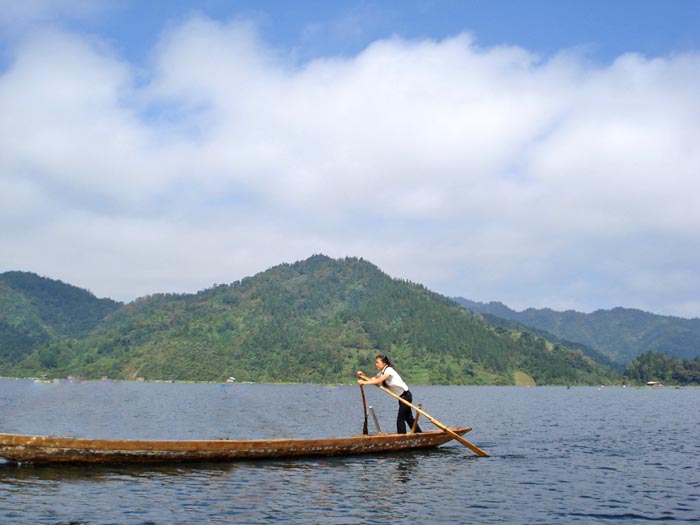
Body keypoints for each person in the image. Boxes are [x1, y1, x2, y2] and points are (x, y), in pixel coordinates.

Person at [357, 355, 422, 434]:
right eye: (376, 363)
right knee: (409, 418)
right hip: (401, 397)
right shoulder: (382, 372)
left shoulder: (389, 370)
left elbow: (378, 381)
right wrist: (362, 376)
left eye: (378, 362)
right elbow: (372, 379)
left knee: (400, 420)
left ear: (384, 363)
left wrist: (364, 382)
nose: (376, 364)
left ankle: (402, 439)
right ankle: (419, 433)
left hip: (406, 396)